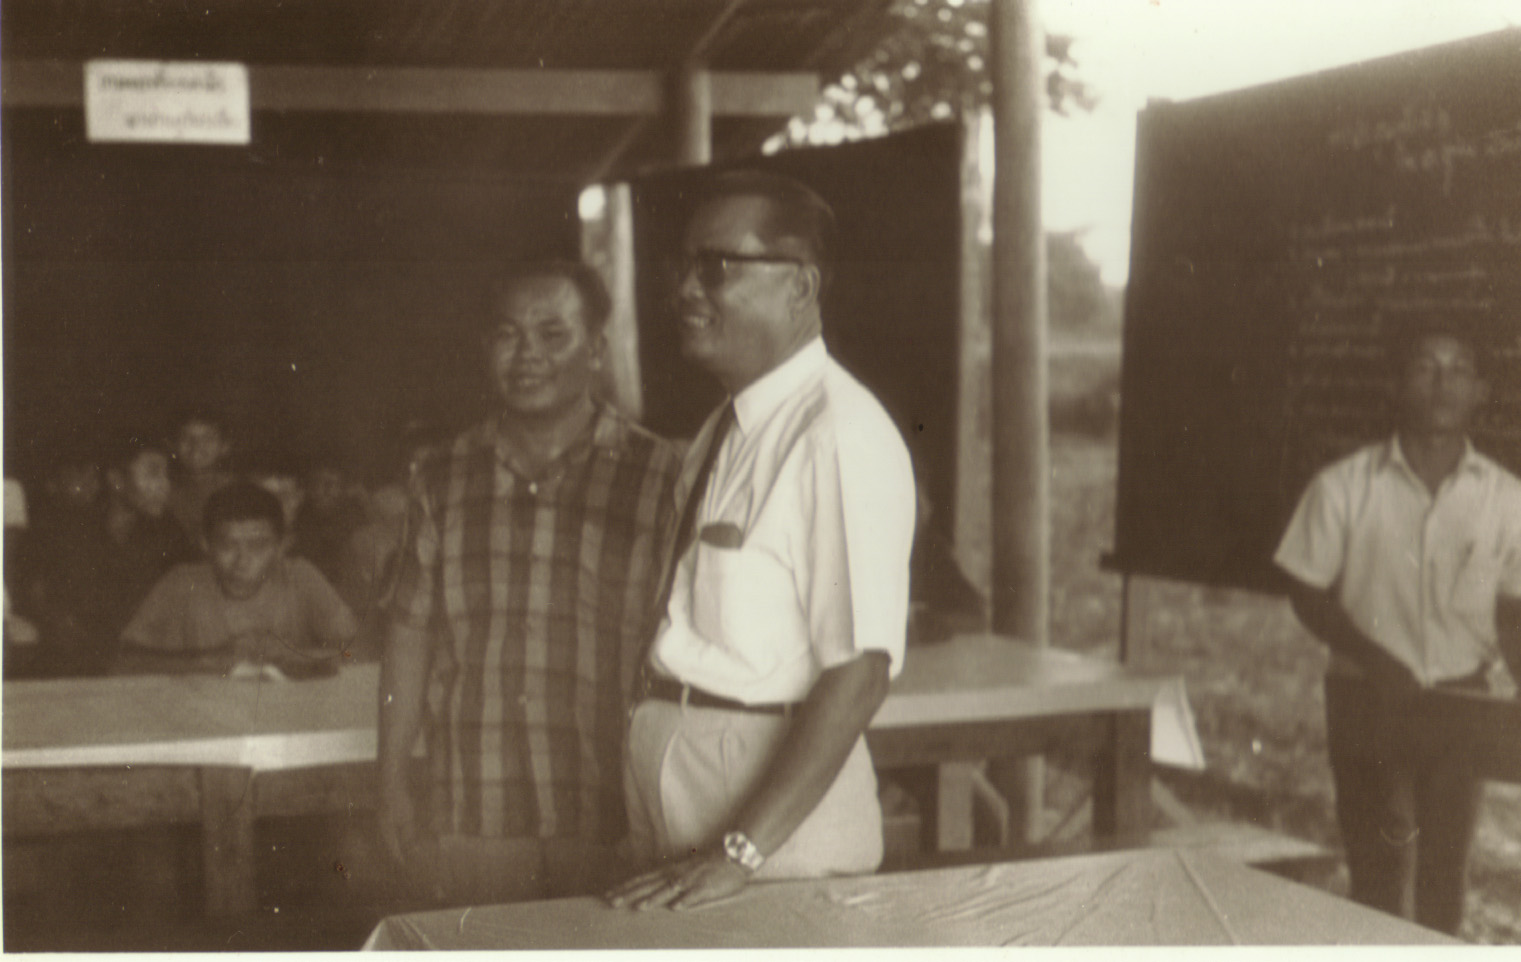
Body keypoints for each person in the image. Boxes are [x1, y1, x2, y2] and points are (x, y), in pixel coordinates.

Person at [606, 171, 916, 910]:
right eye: (684, 265)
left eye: (716, 267)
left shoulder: (838, 434)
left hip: (770, 827)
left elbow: (860, 671)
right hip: (684, 781)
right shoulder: (727, 426)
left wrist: (740, 850)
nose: (685, 289)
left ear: (800, 286)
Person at [377, 260, 682, 906]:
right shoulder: (441, 476)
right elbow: (408, 636)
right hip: (474, 804)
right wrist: (391, 780)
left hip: (617, 807)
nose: (527, 356)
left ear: (595, 350)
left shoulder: (660, 475)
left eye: (552, 334)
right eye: (507, 335)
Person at [1274, 318, 1521, 935]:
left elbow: (1512, 607)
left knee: (1445, 874)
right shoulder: (1345, 486)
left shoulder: (1505, 497)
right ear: (1396, 385)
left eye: (1459, 370)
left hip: (1460, 702)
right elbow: (1305, 586)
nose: (1442, 383)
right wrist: (1373, 657)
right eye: (1424, 367)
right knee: (1379, 873)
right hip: (1368, 699)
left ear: (1480, 391)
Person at [119, 480, 356, 675]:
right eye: (228, 545)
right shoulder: (182, 583)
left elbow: (357, 650)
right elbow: (124, 662)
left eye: (257, 546)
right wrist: (213, 660)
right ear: (205, 544)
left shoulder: (300, 577)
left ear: (281, 546)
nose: (242, 560)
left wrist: (295, 655)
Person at [23, 438, 197, 675]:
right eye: (153, 474)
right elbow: (40, 598)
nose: (164, 485)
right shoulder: (69, 529)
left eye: (167, 475)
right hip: (74, 663)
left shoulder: (170, 533)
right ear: (117, 480)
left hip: (144, 661)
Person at [166, 408, 235, 543]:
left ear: (225, 446)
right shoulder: (163, 489)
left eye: (207, 439)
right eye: (186, 438)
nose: (196, 446)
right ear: (172, 445)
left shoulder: (238, 489)